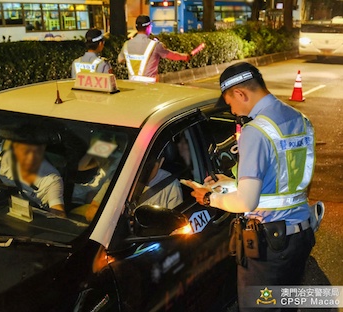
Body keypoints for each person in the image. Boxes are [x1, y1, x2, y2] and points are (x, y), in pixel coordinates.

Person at [186, 62, 316, 312]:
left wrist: (208, 198)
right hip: (300, 235)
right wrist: (232, 183)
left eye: (231, 104)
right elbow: (285, 179)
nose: (234, 112)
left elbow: (245, 203)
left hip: (270, 245)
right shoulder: (299, 119)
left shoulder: (255, 131)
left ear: (240, 94)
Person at [118, 15, 190, 82]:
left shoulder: (126, 44)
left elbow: (120, 60)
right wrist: (185, 57)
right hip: (150, 85)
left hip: (132, 84)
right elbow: (172, 55)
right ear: (148, 27)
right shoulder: (155, 45)